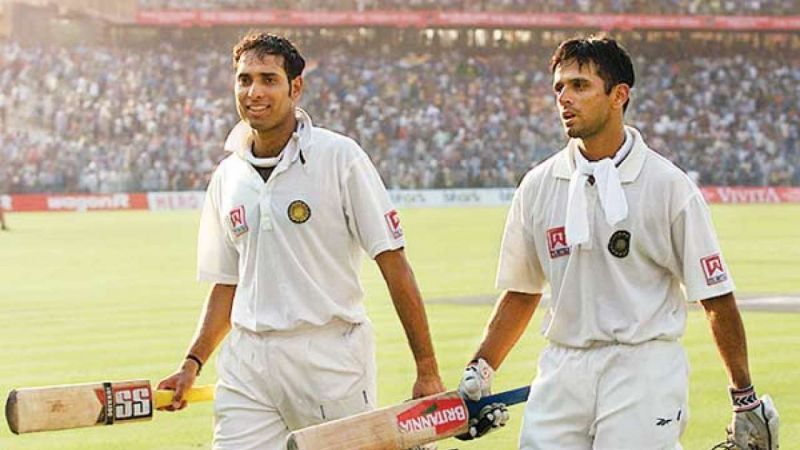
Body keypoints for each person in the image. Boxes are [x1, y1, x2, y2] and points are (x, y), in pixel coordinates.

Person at [456, 36, 779, 449]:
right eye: (559, 87)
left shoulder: (668, 186)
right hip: (561, 368)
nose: (564, 98)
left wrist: (744, 397)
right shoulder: (537, 185)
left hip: (643, 367)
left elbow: (715, 298)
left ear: (619, 95)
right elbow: (521, 293)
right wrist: (480, 368)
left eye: (580, 85)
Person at [157, 32, 444, 449]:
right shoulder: (227, 176)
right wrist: (192, 363)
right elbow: (226, 283)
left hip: (328, 357)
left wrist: (428, 369)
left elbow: (393, 263)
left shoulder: (339, 157)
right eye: (244, 79)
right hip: (248, 361)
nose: (254, 91)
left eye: (268, 79)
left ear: (295, 87)